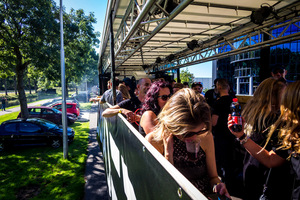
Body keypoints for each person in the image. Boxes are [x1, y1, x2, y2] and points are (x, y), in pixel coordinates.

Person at [146, 88, 230, 198]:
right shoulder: (154, 141)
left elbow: (213, 177)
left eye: (199, 131)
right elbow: (160, 189)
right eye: (187, 134)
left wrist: (218, 186)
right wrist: (168, 155)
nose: (194, 137)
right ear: (172, 124)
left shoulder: (205, 136)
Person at [228, 77, 293, 200]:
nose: (287, 99)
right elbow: (271, 160)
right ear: (272, 98)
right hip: (268, 181)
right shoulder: (276, 121)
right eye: (284, 95)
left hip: (250, 172)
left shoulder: (251, 115)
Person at [211, 78, 241, 194]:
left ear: (218, 87)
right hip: (233, 135)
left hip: (220, 136)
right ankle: (233, 186)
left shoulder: (217, 103)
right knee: (231, 162)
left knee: (222, 163)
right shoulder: (235, 102)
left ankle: (225, 187)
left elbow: (214, 122)